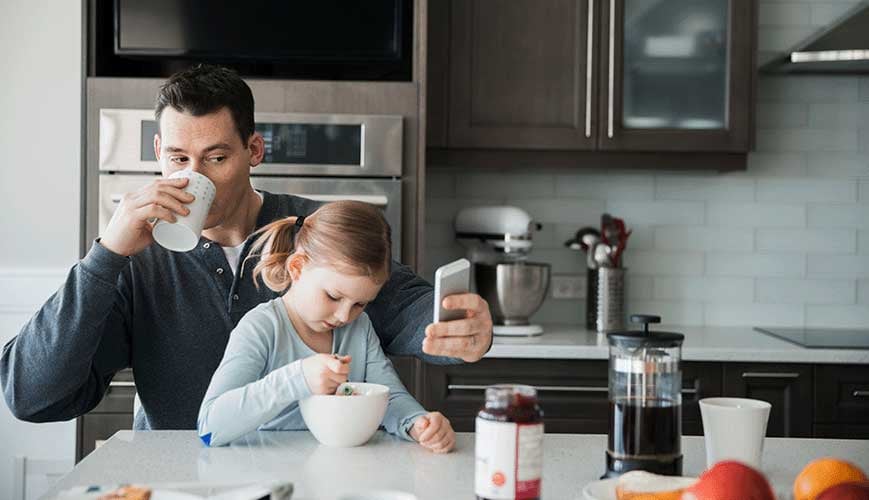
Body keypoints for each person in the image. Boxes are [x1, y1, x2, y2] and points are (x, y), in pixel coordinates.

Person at [0, 64, 492, 430]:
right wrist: (105, 255)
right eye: (178, 158)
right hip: (184, 477)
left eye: (216, 157)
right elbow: (32, 396)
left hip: (305, 471)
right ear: (158, 153)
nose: (194, 177)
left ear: (253, 150)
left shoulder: (313, 229)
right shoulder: (134, 259)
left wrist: (460, 329)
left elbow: (408, 312)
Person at [198, 201, 454, 452]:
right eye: (333, 296)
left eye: (360, 304)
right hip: (270, 474)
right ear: (297, 268)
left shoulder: (359, 328)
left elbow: (388, 398)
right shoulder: (261, 327)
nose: (344, 316)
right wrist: (298, 378)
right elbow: (211, 427)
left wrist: (418, 423)